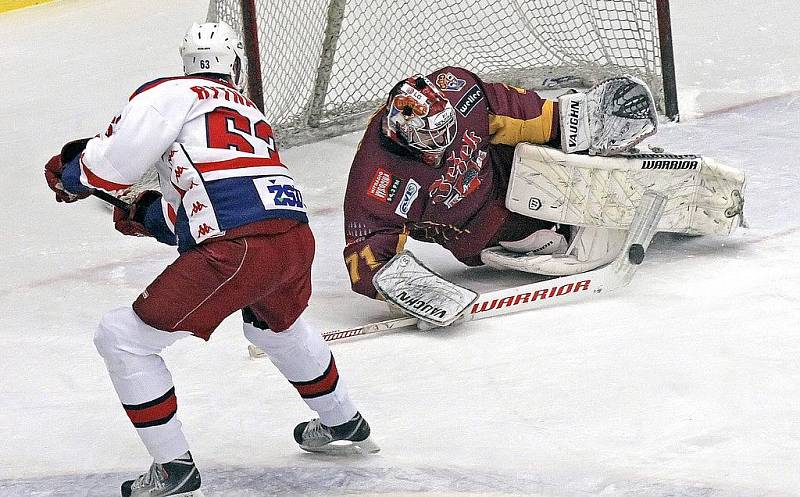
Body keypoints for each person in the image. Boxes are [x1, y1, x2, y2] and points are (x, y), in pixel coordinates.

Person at [44, 22, 377, 497]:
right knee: (273, 327)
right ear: (234, 67)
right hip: (294, 238)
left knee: (122, 337)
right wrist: (146, 214)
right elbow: (214, 198)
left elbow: (108, 166)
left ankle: (173, 467)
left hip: (239, 248)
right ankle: (345, 422)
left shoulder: (170, 92)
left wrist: (71, 173)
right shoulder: (249, 112)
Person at [342, 66, 655, 300]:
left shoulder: (459, 91)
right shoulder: (373, 179)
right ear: (401, 134)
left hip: (500, 168)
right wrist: (404, 290)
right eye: (430, 137)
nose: (442, 142)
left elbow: (512, 110)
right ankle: (565, 230)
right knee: (551, 240)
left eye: (445, 130)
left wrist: (571, 120)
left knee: (545, 150)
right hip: (476, 228)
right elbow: (366, 261)